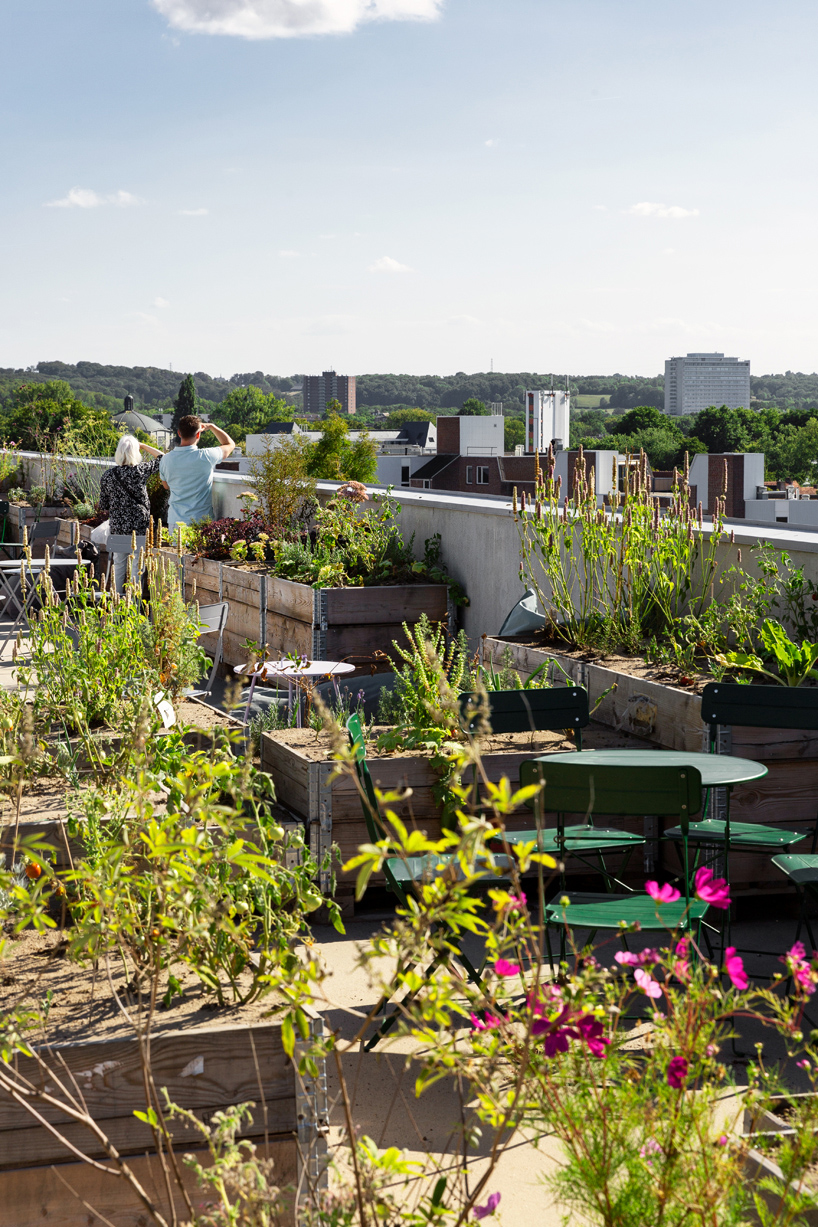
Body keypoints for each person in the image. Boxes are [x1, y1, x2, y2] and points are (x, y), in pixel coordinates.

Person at [98, 434, 163, 593]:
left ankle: (117, 604)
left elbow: (103, 505)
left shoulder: (108, 476)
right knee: (137, 568)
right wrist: (144, 446)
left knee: (119, 565)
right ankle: (133, 605)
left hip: (118, 529)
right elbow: (163, 458)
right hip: (139, 528)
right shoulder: (140, 471)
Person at [159, 414, 236, 537]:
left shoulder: (165, 459)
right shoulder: (206, 456)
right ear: (198, 434)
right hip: (201, 520)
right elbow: (230, 444)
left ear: (179, 433)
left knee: (177, 555)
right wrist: (212, 427)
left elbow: (166, 486)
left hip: (175, 521)